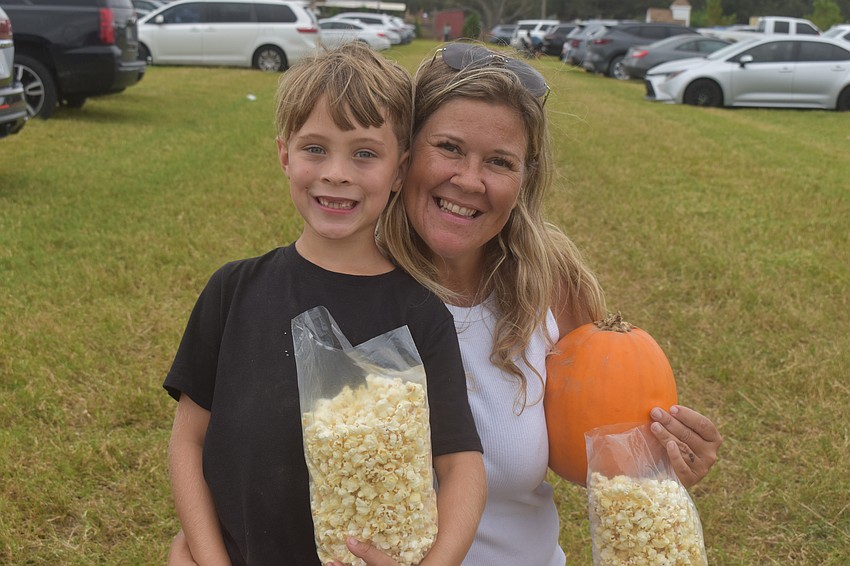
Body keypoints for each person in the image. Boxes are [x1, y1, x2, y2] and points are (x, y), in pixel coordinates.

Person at [334, 42, 723, 565]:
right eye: (449, 147)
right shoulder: (342, 280)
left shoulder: (551, 283)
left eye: (499, 161)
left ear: (525, 179)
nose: (469, 181)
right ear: (405, 157)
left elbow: (604, 459)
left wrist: (658, 467)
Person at [163, 42, 486, 566]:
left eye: (364, 153)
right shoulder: (234, 290)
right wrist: (205, 553)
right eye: (316, 149)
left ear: (400, 171)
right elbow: (188, 443)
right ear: (284, 155)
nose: (337, 173)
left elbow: (461, 464)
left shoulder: (422, 313)